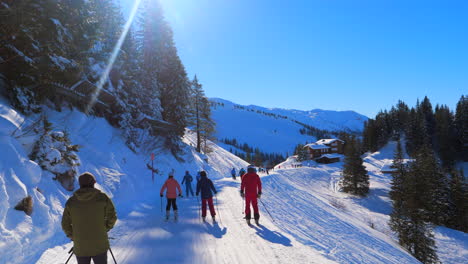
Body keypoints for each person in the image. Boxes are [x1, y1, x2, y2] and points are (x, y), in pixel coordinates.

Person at [61, 172, 117, 264]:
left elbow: (65, 224)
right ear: (93, 183)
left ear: (80, 184)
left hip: (80, 247)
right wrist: (104, 229)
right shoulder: (102, 198)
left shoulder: (72, 202)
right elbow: (112, 217)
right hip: (100, 245)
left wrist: (73, 236)